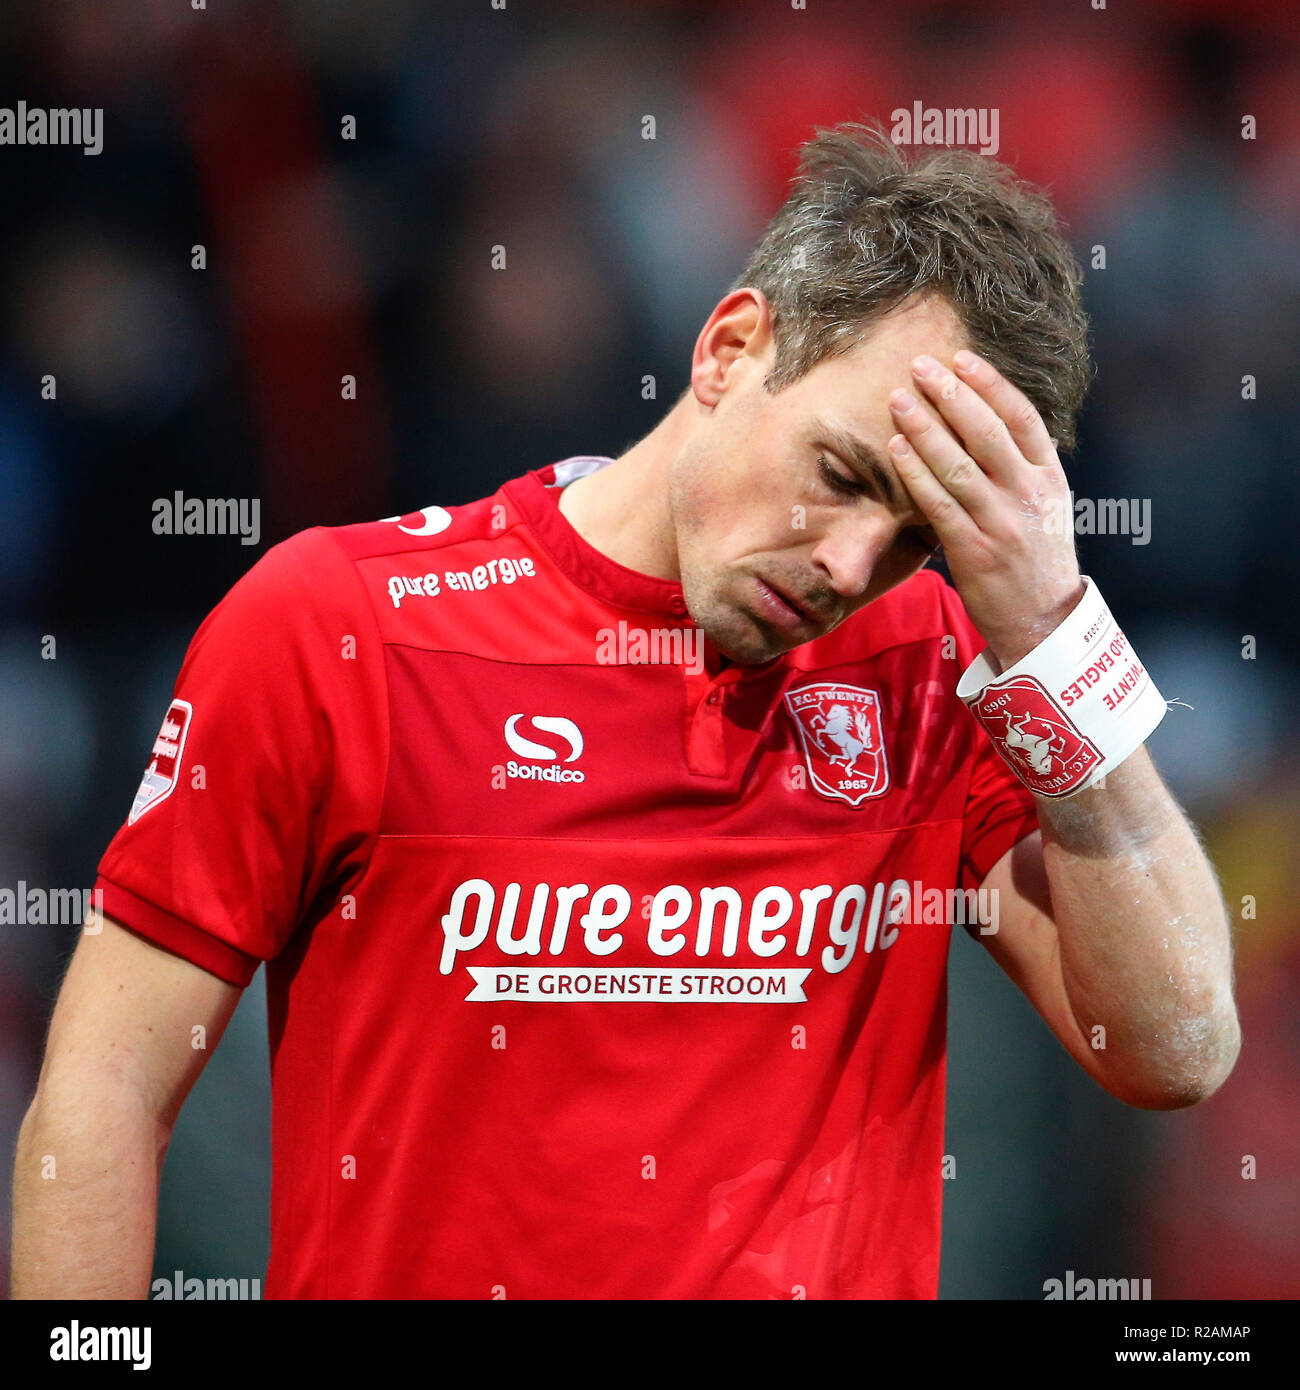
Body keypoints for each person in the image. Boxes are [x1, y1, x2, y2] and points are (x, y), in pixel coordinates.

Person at [11, 121, 1240, 1300]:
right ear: (729, 348)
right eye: (841, 474)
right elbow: (109, 1082)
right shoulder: (339, 626)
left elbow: (1173, 1049)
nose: (851, 563)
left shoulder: (933, 667)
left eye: (918, 534)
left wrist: (1050, 637)